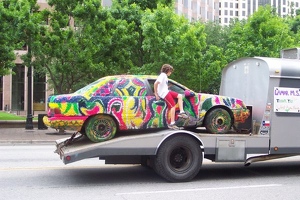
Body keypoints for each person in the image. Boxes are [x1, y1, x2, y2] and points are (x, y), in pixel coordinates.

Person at [154, 64, 188, 130]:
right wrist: (156, 94)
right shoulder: (163, 75)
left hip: (167, 91)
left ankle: (181, 112)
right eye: (170, 71)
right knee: (173, 106)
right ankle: (172, 123)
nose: (171, 73)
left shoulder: (165, 76)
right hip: (164, 93)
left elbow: (162, 85)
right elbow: (156, 83)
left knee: (180, 96)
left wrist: (169, 86)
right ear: (168, 70)